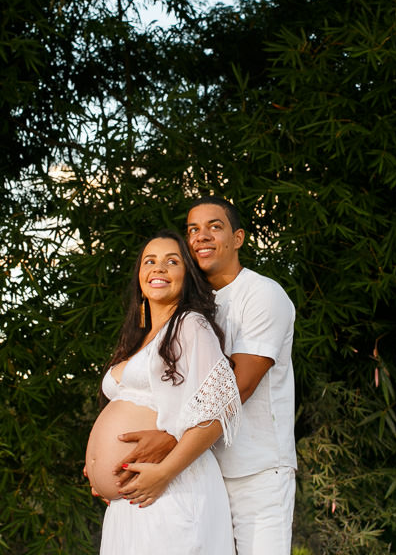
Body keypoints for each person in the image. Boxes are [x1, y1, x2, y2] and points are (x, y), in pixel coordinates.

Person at [117, 197, 297, 555]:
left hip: (256, 473)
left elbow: (237, 386)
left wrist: (168, 439)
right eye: (193, 229)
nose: (201, 236)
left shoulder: (262, 294)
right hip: (202, 469)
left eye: (215, 226)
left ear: (239, 237)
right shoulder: (193, 307)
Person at [84, 231, 242, 555]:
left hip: (172, 486)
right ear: (139, 274)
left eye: (172, 261)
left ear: (187, 276)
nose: (159, 269)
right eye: (150, 261)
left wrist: (164, 472)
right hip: (134, 498)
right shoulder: (137, 337)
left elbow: (220, 409)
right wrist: (98, 466)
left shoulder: (189, 325)